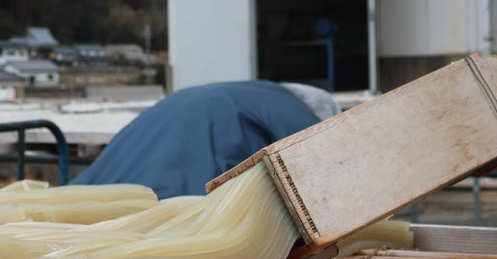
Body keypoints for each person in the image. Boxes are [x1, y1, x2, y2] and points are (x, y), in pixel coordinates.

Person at [72, 80, 336, 198]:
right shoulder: (294, 109)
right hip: (183, 191)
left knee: (107, 201)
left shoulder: (255, 92)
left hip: (148, 144)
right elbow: (323, 157)